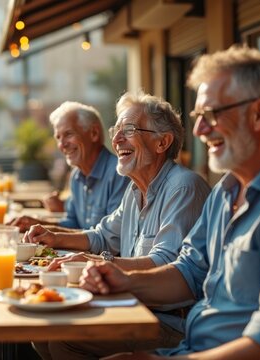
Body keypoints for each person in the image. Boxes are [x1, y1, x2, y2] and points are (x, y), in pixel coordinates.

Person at [79, 46, 260, 360]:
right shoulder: (225, 192)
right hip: (190, 345)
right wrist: (124, 280)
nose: (199, 130)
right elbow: (188, 272)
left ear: (259, 114)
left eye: (210, 115)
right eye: (198, 117)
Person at [30, 91, 211, 359]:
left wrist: (99, 263)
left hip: (170, 322)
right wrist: (54, 238)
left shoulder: (183, 187)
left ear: (162, 142)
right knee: (43, 334)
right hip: (134, 305)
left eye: (129, 129)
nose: (115, 139)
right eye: (116, 130)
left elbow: (166, 263)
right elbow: (103, 236)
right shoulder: (134, 190)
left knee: (63, 341)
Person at [9, 101, 129, 232]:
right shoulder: (76, 176)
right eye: (58, 137)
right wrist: (37, 224)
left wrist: (47, 230)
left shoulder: (120, 173)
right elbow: (72, 224)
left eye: (68, 134)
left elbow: (110, 238)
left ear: (94, 133)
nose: (62, 145)